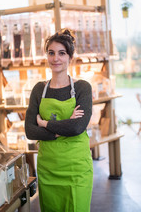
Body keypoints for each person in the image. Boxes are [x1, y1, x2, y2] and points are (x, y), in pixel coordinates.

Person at [25, 29, 93, 212]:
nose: (56, 58)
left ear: (70, 57)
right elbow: (30, 131)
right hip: (49, 168)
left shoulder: (82, 88)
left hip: (76, 168)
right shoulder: (39, 90)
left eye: (62, 53)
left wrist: (45, 124)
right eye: (51, 52)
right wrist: (61, 128)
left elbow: (78, 127)